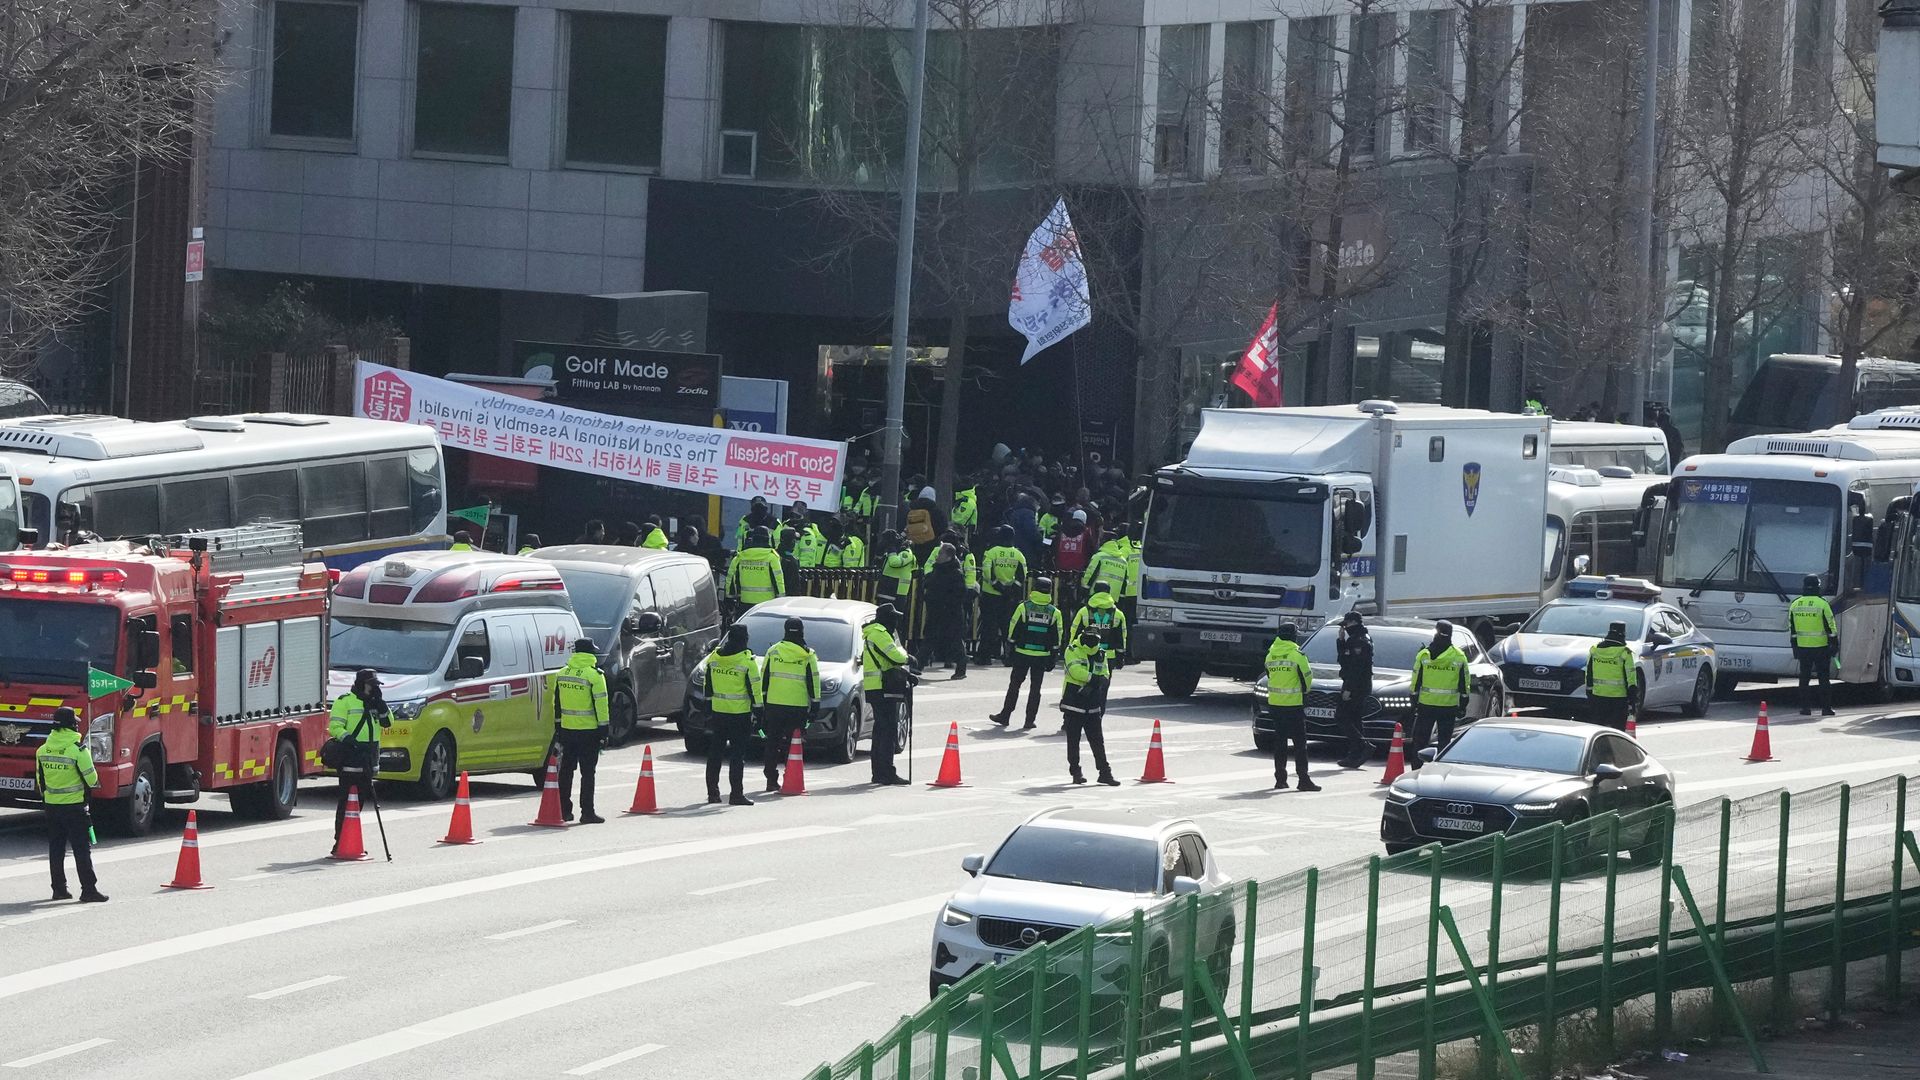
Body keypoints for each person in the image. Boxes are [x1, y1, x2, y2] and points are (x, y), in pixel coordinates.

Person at [36, 707, 106, 902]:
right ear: (72, 725)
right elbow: (92, 780)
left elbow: (40, 780)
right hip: (74, 807)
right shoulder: (78, 750)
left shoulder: (42, 750)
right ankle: (88, 890)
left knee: (56, 848)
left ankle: (59, 889)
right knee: (81, 849)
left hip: (51, 807)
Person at [328, 668, 390, 855]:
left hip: (369, 758)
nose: (374, 688)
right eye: (372, 685)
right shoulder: (345, 701)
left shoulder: (375, 703)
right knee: (346, 801)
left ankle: (350, 837)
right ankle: (340, 840)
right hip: (351, 756)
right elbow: (335, 726)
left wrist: (380, 705)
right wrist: (348, 739)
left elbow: (388, 723)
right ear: (362, 684)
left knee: (359, 801)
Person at [990, 577, 1063, 730]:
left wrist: (1009, 648)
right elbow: (1057, 636)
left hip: (1021, 653)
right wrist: (1053, 656)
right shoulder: (1054, 612)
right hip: (1041, 656)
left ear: (1034, 589)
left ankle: (1005, 715)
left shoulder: (1024, 607)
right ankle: (1029, 720)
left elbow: (1013, 628)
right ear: (1050, 591)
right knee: (1035, 689)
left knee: (1014, 685)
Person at [700, 625, 762, 806]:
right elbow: (755, 690)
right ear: (744, 639)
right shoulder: (747, 661)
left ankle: (713, 794)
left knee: (715, 754)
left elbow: (707, 687)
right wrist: (759, 712)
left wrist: (708, 708)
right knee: (737, 756)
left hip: (718, 714)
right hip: (739, 715)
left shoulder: (714, 658)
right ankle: (736, 795)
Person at [553, 638, 610, 823]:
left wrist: (558, 728)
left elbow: (557, 704)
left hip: (568, 731)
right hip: (589, 732)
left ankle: (564, 810)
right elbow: (601, 705)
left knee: (566, 771)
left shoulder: (562, 673)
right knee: (588, 773)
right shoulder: (595, 675)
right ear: (589, 653)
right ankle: (587, 812)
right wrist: (604, 732)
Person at [761, 618, 821, 791]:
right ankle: (790, 776)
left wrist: (762, 703)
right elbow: (814, 682)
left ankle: (771, 780)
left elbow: (764, 679)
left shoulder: (773, 651)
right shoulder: (808, 655)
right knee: (793, 744)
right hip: (797, 706)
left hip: (774, 704)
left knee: (772, 742)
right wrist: (815, 705)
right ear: (802, 631)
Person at [862, 604, 915, 785]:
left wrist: (907, 674)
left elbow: (886, 661)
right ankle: (886, 772)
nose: (895, 622)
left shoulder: (876, 633)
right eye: (893, 617)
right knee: (888, 731)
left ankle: (879, 772)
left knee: (880, 730)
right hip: (882, 688)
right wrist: (909, 658)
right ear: (886, 618)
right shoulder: (879, 633)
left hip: (877, 687)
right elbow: (895, 656)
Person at [1060, 626, 1120, 785]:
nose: (1093, 642)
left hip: (1093, 701)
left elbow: (1105, 673)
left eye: (1096, 639)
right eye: (1090, 638)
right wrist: (1094, 680)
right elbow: (1075, 671)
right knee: (1073, 740)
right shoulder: (1073, 649)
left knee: (1097, 740)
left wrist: (1098, 683)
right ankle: (1075, 771)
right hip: (1074, 700)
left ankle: (1105, 773)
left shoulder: (1101, 653)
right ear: (1083, 636)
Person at [1264, 625, 1319, 791]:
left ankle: (1280, 779)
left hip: (1275, 704)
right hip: (1294, 705)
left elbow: (1269, 675)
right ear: (1294, 636)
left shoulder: (1270, 654)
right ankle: (1303, 779)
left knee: (1280, 743)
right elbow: (1307, 679)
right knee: (1300, 744)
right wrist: (1304, 694)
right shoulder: (1297, 655)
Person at [1409, 622, 1469, 767]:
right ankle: (1440, 770)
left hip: (1426, 705)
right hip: (1448, 706)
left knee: (1420, 740)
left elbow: (1416, 680)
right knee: (1444, 742)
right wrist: (1463, 705)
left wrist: (1414, 700)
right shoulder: (1459, 656)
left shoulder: (1424, 654)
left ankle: (1416, 769)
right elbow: (1464, 683)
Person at [975, 526, 1028, 666]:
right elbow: (1022, 575)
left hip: (990, 595)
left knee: (988, 627)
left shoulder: (991, 553)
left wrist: (997, 585)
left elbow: (987, 572)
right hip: (1009, 597)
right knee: (1008, 628)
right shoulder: (1018, 555)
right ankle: (1009, 657)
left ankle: (984, 657)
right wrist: (1010, 589)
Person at [1788, 574, 1838, 716]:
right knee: (1824, 679)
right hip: (1821, 648)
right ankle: (1826, 708)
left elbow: (1792, 629)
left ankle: (1805, 708)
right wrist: (1834, 644)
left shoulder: (1795, 604)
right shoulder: (1822, 604)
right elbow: (1831, 627)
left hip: (1803, 648)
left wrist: (1795, 647)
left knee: (1804, 679)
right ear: (1818, 586)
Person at [923, 543, 971, 680]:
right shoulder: (937, 570)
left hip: (951, 614)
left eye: (940, 554)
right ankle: (918, 666)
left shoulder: (956, 574)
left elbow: (960, 593)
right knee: (929, 638)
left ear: (948, 556)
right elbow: (930, 585)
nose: (937, 556)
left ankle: (961, 669)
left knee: (955, 641)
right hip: (936, 611)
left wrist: (946, 602)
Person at [1333, 611, 1373, 768]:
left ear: (1353, 623)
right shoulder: (1353, 640)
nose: (1344, 628)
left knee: (1342, 716)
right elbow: (1343, 661)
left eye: (1346, 625)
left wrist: (1348, 689)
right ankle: (1355, 754)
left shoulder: (1360, 641)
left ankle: (1363, 746)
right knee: (1355, 719)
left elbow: (1356, 669)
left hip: (1356, 686)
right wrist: (1341, 641)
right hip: (1355, 684)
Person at [1585, 622, 1637, 731]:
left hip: (1598, 697)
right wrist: (1632, 701)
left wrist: (1589, 692)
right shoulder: (1625, 652)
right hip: (1618, 700)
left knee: (1597, 731)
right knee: (1617, 732)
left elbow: (1588, 673)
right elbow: (1631, 679)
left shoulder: (1595, 650)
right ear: (1623, 633)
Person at [725, 526, 786, 614]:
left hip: (745, 603)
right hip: (767, 603)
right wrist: (780, 600)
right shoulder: (772, 557)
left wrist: (729, 598)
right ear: (767, 539)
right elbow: (778, 581)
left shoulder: (740, 557)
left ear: (753, 539)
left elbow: (730, 579)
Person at [1069, 581, 1129, 667]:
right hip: (1108, 657)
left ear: (1094, 591)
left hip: (1086, 654)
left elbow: (1074, 632)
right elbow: (1121, 637)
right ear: (1108, 592)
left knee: (1087, 679)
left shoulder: (1084, 611)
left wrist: (1071, 650)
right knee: (1104, 679)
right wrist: (1120, 656)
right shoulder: (1118, 614)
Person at [877, 530, 917, 609]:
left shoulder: (906, 553)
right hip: (887, 589)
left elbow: (894, 563)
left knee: (894, 615)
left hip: (897, 591)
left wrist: (891, 550)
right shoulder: (895, 553)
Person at [1053, 509, 1094, 580]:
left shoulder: (1061, 531)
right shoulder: (1086, 533)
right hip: (1078, 570)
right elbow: (1090, 551)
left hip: (1060, 568)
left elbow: (1054, 548)